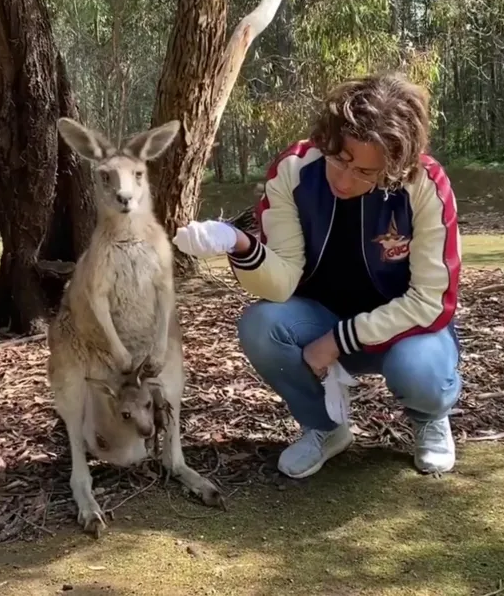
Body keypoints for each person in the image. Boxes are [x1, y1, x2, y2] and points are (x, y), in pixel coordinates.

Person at [174, 72, 462, 480]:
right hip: (320, 317)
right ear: (326, 139)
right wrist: (239, 243)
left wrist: (336, 341)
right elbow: (282, 282)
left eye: (366, 172)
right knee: (261, 325)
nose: (344, 181)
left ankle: (430, 417)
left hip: (407, 331)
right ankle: (326, 427)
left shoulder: (424, 184)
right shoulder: (294, 170)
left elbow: (431, 300)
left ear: (394, 167)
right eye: (340, 159)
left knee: (419, 367)